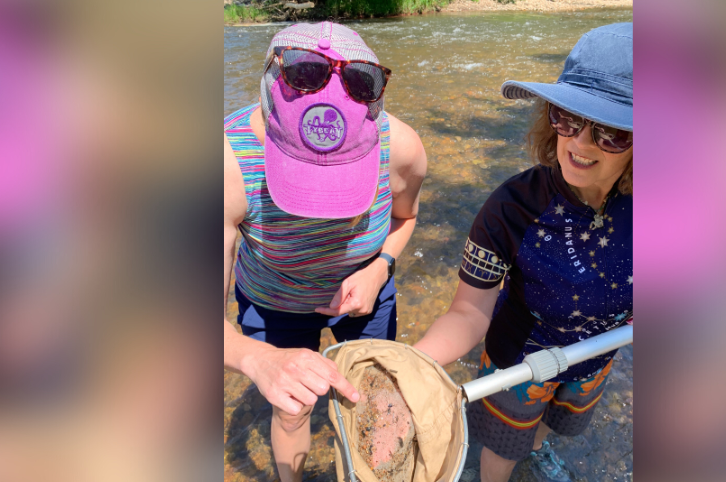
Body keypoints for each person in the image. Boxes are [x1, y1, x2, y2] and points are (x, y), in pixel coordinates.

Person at [414, 23, 633, 482]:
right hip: (518, 362)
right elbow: (468, 313)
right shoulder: (511, 208)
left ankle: (536, 454)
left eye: (611, 132)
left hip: (596, 357)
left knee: (547, 428)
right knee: (502, 442)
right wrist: (413, 367)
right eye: (567, 118)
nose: (579, 143)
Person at [223, 22, 427, 482]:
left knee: (376, 392)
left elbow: (405, 219)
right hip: (275, 303)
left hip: (366, 292)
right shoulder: (226, 166)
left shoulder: (404, 149)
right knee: (291, 408)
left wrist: (380, 267)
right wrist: (257, 360)